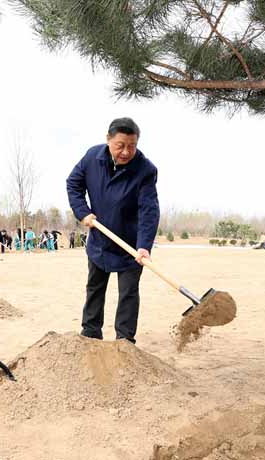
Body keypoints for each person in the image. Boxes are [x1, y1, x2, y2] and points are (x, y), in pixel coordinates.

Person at [67, 117, 159, 344]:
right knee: (95, 289)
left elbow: (149, 210)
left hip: (131, 245)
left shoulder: (145, 170)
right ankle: (90, 335)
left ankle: (125, 341)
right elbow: (73, 184)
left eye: (132, 146)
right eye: (120, 145)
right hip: (100, 239)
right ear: (108, 140)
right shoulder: (92, 158)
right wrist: (82, 212)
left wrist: (144, 246)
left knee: (128, 293)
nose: (126, 152)